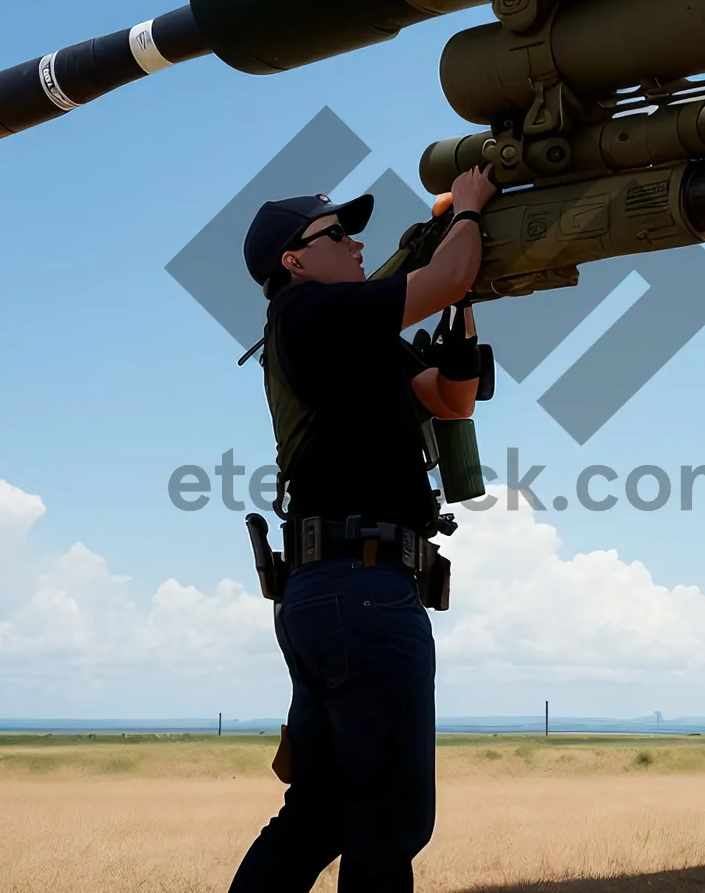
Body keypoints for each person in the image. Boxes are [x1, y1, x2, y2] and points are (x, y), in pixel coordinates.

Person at [229, 165, 496, 893]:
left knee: (321, 813)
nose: (357, 243)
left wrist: (463, 306)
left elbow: (449, 400)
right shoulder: (310, 314)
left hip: (333, 595)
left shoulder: (354, 335)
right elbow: (439, 280)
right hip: (364, 595)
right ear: (294, 261)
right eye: (337, 233)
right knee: (389, 818)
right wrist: (469, 208)